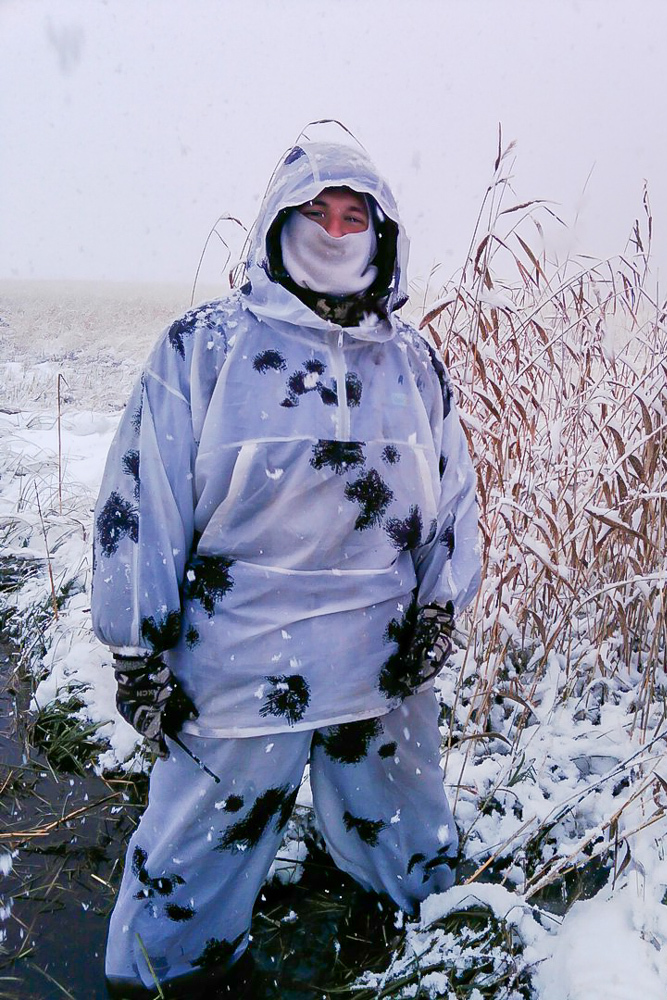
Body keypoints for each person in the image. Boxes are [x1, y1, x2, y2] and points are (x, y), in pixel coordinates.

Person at [92, 138, 481, 997]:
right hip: (239, 667)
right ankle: (168, 982)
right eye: (316, 213)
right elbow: (142, 497)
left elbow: (452, 500)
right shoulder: (204, 347)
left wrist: (438, 609)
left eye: (354, 216)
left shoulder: (413, 363)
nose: (336, 231)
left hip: (381, 667)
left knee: (408, 856)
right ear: (278, 221)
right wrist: (137, 647)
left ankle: (413, 959)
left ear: (381, 233)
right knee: (189, 876)